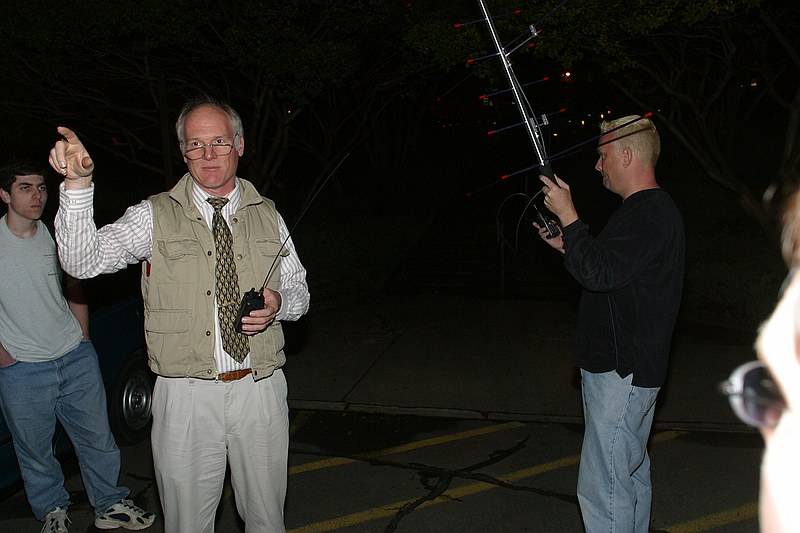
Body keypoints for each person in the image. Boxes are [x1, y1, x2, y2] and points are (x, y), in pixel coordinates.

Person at [49, 95, 311, 533]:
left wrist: (278, 303)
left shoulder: (269, 214)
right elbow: (81, 262)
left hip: (260, 390)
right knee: (187, 524)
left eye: (219, 143)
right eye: (195, 145)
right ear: (183, 151)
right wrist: (77, 187)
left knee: (267, 519)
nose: (208, 155)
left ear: (240, 145)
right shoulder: (153, 214)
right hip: (185, 395)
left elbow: (300, 293)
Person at [535, 115, 685, 532]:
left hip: (622, 370)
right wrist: (570, 245)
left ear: (627, 154)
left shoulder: (649, 212)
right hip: (630, 369)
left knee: (606, 487)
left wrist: (569, 215)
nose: (598, 166)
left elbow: (601, 274)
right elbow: (609, 270)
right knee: (629, 475)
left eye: (603, 156)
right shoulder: (645, 212)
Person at [0, 159, 155, 533]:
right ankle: (52, 511)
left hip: (74, 357)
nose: (37, 195)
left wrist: (83, 337)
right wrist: (6, 359)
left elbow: (74, 284)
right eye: (25, 188)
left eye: (41, 187)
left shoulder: (56, 235)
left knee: (98, 439)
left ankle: (110, 504)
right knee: (36, 452)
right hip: (23, 369)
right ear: (5, 194)